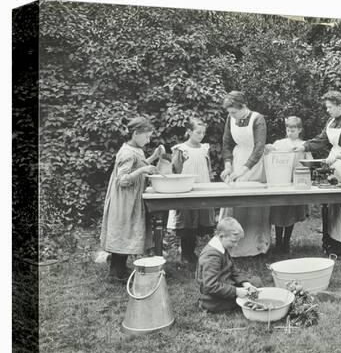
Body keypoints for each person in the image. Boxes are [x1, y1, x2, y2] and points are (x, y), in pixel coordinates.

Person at [294, 90, 341, 256]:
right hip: (335, 166)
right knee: (334, 207)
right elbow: (321, 140)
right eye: (326, 107)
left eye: (330, 107)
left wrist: (340, 155)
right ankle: (334, 244)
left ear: (340, 106)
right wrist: (304, 146)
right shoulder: (331, 121)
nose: (327, 110)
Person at [99, 117, 163, 281]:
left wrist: (154, 157)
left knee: (127, 232)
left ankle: (119, 268)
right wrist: (144, 171)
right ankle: (115, 273)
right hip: (124, 200)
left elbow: (139, 165)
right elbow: (123, 180)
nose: (148, 140)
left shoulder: (135, 149)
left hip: (131, 199)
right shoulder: (127, 153)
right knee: (123, 231)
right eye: (146, 137)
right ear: (135, 134)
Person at [219, 91, 270, 257]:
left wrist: (244, 169)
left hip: (255, 163)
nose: (232, 116)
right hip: (237, 159)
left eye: (234, 112)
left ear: (243, 107)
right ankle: (233, 246)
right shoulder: (231, 118)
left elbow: (259, 148)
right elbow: (226, 143)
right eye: (229, 113)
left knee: (254, 203)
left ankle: (256, 245)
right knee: (234, 202)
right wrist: (228, 166)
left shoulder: (257, 119)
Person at [167, 117, 216, 266]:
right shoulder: (181, 150)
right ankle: (186, 253)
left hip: (202, 187)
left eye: (203, 133)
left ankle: (193, 252)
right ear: (189, 132)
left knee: (199, 219)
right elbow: (175, 170)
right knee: (187, 220)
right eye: (197, 132)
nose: (201, 135)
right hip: (186, 189)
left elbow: (207, 168)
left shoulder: (204, 149)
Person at [265, 116, 313, 253]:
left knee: (291, 212)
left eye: (293, 130)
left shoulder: (304, 144)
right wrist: (268, 148)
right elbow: (270, 157)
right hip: (281, 182)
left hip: (296, 182)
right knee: (279, 211)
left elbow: (310, 162)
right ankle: (278, 241)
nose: (290, 132)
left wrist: (303, 152)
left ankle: (286, 241)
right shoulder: (280, 143)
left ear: (299, 130)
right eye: (288, 129)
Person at [196, 217, 263, 313]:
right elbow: (210, 286)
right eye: (233, 241)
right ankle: (209, 304)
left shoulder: (221, 247)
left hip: (226, 283)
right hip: (214, 296)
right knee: (248, 296)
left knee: (256, 282)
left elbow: (233, 270)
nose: (235, 245)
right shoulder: (211, 256)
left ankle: (244, 296)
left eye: (237, 242)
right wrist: (236, 291)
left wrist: (245, 284)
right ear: (221, 236)